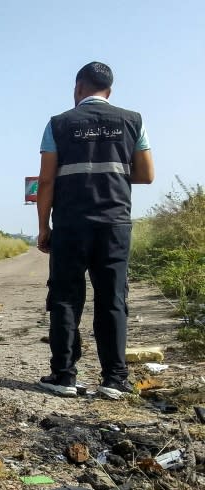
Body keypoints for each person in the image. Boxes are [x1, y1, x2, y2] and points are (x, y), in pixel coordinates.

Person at [36, 62, 155, 399]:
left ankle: (64, 377)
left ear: (78, 88)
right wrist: (110, 175)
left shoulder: (59, 123)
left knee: (65, 298)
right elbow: (146, 175)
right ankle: (114, 380)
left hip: (71, 225)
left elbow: (45, 180)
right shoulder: (133, 120)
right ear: (110, 92)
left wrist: (44, 227)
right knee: (113, 300)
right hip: (115, 225)